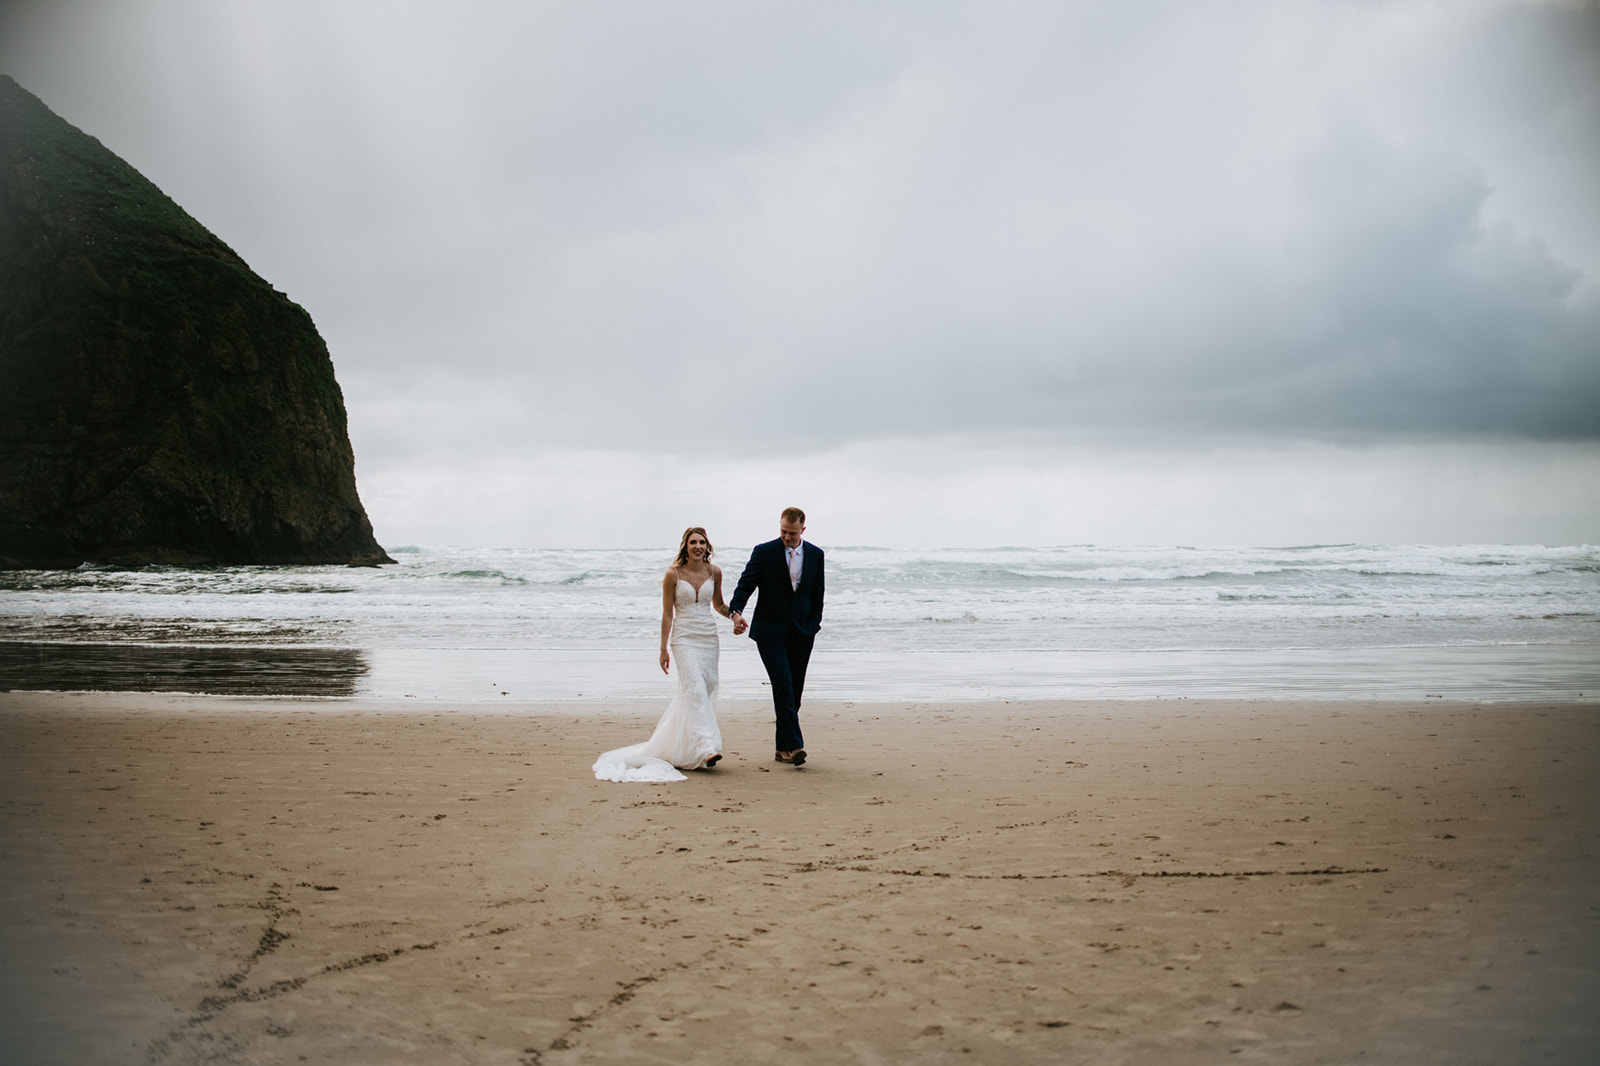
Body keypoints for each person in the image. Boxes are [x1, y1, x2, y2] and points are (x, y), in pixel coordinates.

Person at [593, 527, 732, 782]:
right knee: (694, 688)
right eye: (693, 542)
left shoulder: (715, 572)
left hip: (708, 638)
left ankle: (681, 747)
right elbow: (668, 613)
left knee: (708, 687)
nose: (698, 546)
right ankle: (706, 749)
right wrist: (663, 648)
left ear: (707, 546)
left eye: (702, 542)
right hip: (684, 639)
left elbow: (719, 604)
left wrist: (735, 616)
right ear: (685, 546)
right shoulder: (673, 575)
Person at [729, 507, 824, 766]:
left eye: (792, 533)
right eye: (783, 531)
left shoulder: (816, 555)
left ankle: (781, 748)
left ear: (802, 530)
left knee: (795, 693)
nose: (787, 537)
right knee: (783, 686)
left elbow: (818, 594)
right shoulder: (764, 552)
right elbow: (745, 584)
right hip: (770, 631)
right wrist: (736, 613)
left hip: (803, 631)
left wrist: (814, 622)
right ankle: (794, 746)